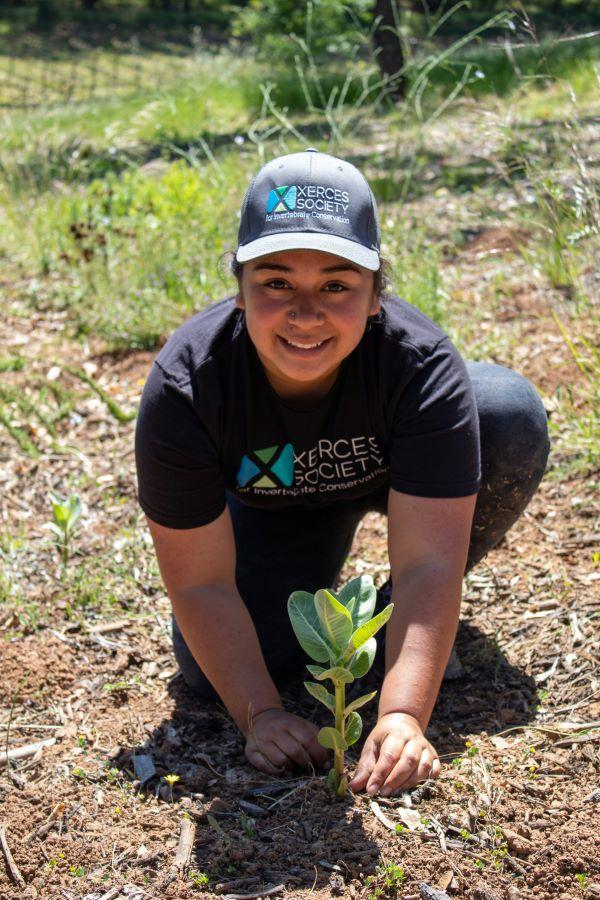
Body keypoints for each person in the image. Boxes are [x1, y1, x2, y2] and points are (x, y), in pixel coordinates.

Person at [135, 149, 549, 798]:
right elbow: (201, 583)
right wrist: (261, 713)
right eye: (276, 283)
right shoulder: (189, 386)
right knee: (217, 669)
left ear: (376, 295)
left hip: (396, 476)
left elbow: (428, 565)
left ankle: (397, 627)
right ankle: (334, 608)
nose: (306, 312)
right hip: (276, 505)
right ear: (239, 289)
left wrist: (403, 713)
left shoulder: (418, 366)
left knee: (504, 412)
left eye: (336, 285)